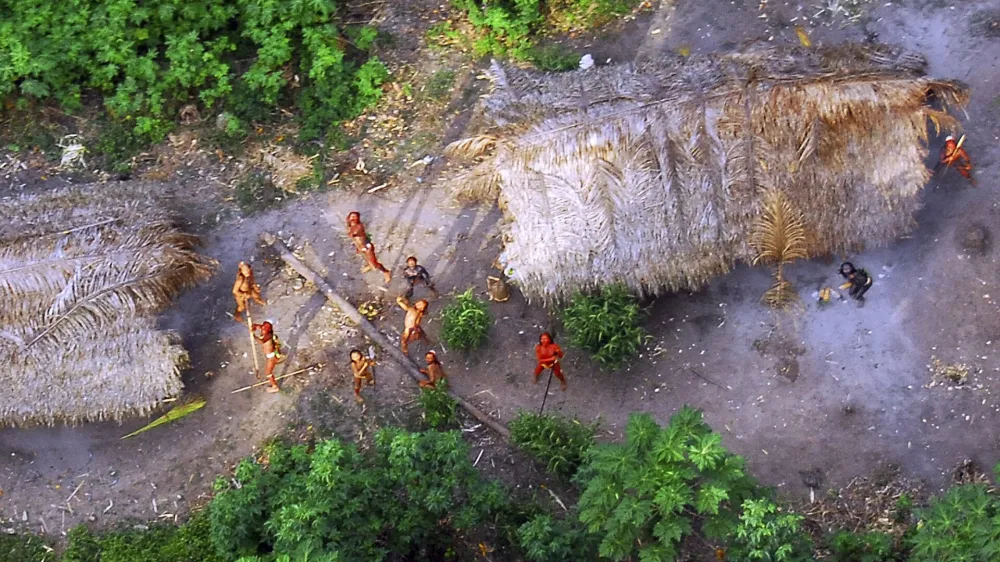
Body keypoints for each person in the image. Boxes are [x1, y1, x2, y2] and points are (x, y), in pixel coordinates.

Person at [346, 211, 392, 284]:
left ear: (358, 218)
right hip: (360, 247)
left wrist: (349, 231)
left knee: (375, 265)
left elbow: (353, 233)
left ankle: (386, 272)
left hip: (367, 248)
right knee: (367, 259)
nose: (353, 218)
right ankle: (369, 264)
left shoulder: (359, 227)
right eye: (352, 216)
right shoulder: (350, 225)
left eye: (355, 217)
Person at [251, 321, 283, 393]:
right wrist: (255, 326)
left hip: (271, 358)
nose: (262, 330)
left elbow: (261, 342)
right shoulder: (268, 332)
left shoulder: (268, 337)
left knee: (268, 372)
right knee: (268, 371)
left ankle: (275, 387)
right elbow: (261, 327)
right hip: (271, 355)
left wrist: (253, 335)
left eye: (263, 329)